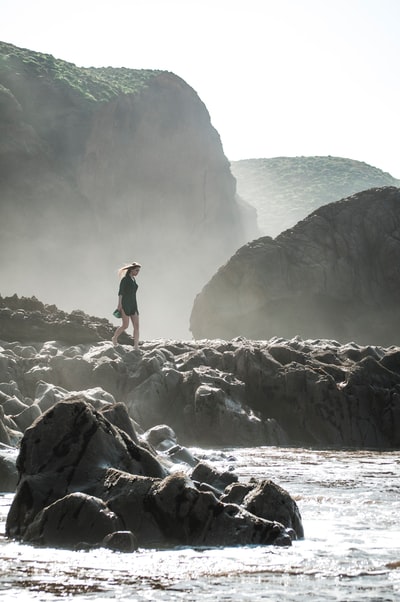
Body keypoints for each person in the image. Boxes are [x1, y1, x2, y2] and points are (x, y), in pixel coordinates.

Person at [112, 262, 141, 349]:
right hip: (125, 304)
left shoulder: (133, 279)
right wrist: (119, 304)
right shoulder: (125, 279)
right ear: (131, 270)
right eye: (136, 270)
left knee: (136, 326)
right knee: (125, 325)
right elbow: (121, 292)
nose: (138, 272)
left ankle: (136, 346)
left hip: (133, 304)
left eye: (139, 271)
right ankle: (114, 338)